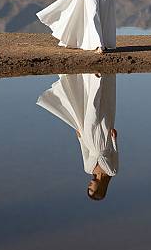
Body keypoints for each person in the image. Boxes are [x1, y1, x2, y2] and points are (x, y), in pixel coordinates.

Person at [36, 72, 118, 201]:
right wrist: (114, 139)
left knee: (92, 111)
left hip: (89, 138)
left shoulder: (88, 169)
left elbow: (84, 152)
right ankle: (102, 78)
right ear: (100, 188)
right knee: (102, 108)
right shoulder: (112, 171)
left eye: (88, 188)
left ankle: (96, 78)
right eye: (92, 189)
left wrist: (80, 138)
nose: (89, 186)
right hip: (104, 138)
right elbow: (115, 153)